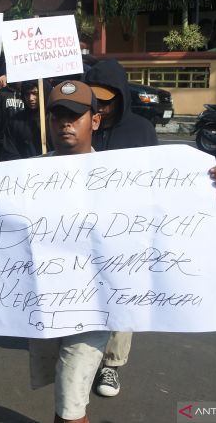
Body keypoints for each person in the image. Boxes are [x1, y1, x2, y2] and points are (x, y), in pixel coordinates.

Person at [0, 80, 216, 423]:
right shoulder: (25, 177)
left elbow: (163, 210)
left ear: (94, 121)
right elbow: (1, 225)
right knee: (63, 395)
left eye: (76, 115)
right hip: (46, 309)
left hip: (96, 311)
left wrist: (205, 186)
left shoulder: (122, 177)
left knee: (70, 406)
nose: (66, 122)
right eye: (59, 115)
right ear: (48, 121)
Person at [82, 58, 158, 397]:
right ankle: (84, 355)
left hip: (126, 231)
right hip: (84, 228)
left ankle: (111, 366)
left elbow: (157, 179)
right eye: (96, 99)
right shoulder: (83, 122)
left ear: (122, 95)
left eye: (109, 99)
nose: (103, 106)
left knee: (122, 297)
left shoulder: (141, 130)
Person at [0, 80, 42, 161]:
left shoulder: (44, 115)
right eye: (27, 94)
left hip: (29, 142)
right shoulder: (3, 93)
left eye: (35, 93)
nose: (30, 98)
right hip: (7, 139)